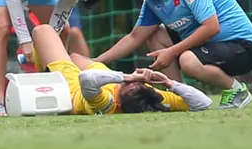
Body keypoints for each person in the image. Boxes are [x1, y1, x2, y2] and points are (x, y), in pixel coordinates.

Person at [95, 0, 252, 109]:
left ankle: (237, 90)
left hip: (243, 47)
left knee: (188, 60)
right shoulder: (152, 0)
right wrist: (96, 62)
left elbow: (211, 27)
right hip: (210, 47)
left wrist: (171, 52)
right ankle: (180, 96)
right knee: (154, 34)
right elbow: (135, 37)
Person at [31, 24, 212, 114]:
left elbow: (87, 78)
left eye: (131, 86)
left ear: (118, 102)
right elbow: (204, 103)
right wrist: (169, 82)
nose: (137, 83)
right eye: (140, 86)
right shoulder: (153, 98)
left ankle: (35, 59)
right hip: (102, 77)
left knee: (44, 30)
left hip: (71, 83)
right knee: (76, 56)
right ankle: (41, 55)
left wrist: (127, 77)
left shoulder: (106, 104)